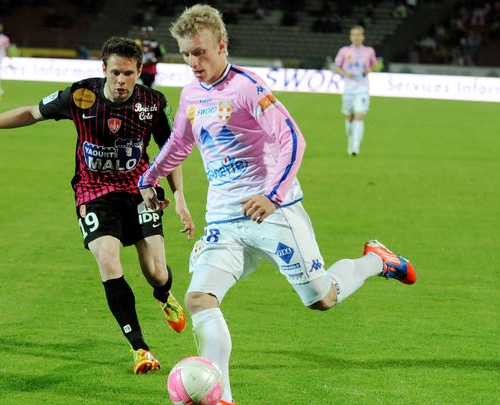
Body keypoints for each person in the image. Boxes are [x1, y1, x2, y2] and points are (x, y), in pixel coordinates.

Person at [137, 5, 416, 404]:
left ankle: (377, 260)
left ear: (221, 44)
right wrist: (147, 179)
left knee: (322, 299)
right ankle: (224, 397)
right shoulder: (191, 95)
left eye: (199, 52)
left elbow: (293, 139)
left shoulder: (248, 87)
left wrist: (272, 196)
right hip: (223, 219)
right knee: (200, 299)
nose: (192, 62)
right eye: (184, 54)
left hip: (272, 211)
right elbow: (180, 144)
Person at [0, 36, 195, 374]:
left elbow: (171, 151)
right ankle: (140, 348)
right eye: (114, 73)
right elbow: (31, 113)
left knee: (155, 272)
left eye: (128, 73)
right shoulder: (81, 96)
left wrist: (179, 195)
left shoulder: (153, 103)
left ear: (140, 70)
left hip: (140, 190)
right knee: (108, 263)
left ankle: (164, 294)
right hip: (93, 192)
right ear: (103, 69)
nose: (121, 81)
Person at [333, 25, 378, 156]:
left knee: (359, 116)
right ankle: (351, 140)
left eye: (358, 34)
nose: (356, 37)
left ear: (362, 36)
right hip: (348, 89)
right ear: (350, 36)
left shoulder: (369, 51)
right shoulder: (344, 51)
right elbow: (337, 66)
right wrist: (345, 73)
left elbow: (375, 64)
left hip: (362, 89)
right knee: (350, 117)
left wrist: (369, 69)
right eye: (353, 34)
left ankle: (355, 147)